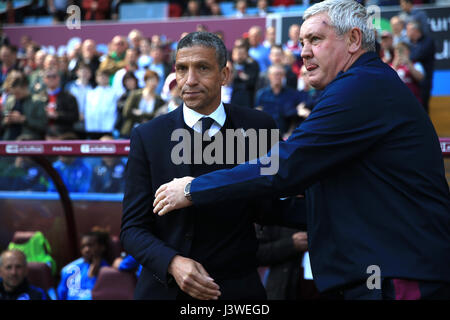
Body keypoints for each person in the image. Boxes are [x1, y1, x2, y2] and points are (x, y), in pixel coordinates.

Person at [153, 0, 450, 300]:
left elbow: (285, 166)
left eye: (315, 40)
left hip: (394, 276)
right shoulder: (362, 85)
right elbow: (337, 200)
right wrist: (249, 205)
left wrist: (194, 189)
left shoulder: (361, 88)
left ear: (354, 40)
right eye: (301, 42)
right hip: (387, 272)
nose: (304, 51)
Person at [120, 31, 299, 300]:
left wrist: (331, 210)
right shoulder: (148, 136)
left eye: (202, 68)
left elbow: (270, 207)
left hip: (237, 290)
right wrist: (173, 263)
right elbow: (132, 229)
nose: (189, 80)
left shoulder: (259, 127)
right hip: (167, 291)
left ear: (225, 75)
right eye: (182, 69)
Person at [57, 229, 110, 300]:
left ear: (102, 247)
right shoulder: (70, 269)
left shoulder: (106, 270)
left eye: (90, 245)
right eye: (83, 247)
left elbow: (97, 295)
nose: (86, 250)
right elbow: (61, 294)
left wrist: (93, 274)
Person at [255, 64, 304, 139]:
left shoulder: (293, 94)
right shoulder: (261, 94)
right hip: (265, 136)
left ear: (284, 76)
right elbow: (257, 116)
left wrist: (290, 134)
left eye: (280, 74)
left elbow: (295, 118)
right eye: (275, 74)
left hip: (286, 137)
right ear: (269, 76)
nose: (277, 77)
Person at [1, 72, 47, 140]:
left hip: (29, 141)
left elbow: (43, 126)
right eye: (13, 94)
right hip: (9, 140)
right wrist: (6, 121)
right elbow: (2, 126)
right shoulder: (10, 100)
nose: (15, 96)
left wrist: (24, 120)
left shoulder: (37, 102)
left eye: (17, 93)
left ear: (25, 87)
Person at [120, 70, 165, 138]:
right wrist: (144, 118)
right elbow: (126, 112)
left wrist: (141, 113)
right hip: (131, 131)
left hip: (150, 132)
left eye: (156, 81)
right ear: (146, 81)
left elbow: (157, 115)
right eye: (151, 80)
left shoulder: (159, 99)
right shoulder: (135, 94)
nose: (154, 83)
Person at [36, 68, 79, 138]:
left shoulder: (69, 97)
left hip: (64, 134)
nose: (51, 79)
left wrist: (57, 115)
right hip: (42, 134)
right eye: (48, 76)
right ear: (44, 79)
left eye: (54, 76)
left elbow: (75, 117)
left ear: (59, 78)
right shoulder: (38, 98)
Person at [406, 19, 435, 113]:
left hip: (424, 83)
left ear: (414, 31)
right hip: (411, 83)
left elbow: (417, 56)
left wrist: (406, 56)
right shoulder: (410, 44)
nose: (406, 33)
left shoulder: (428, 42)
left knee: (422, 110)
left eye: (408, 30)